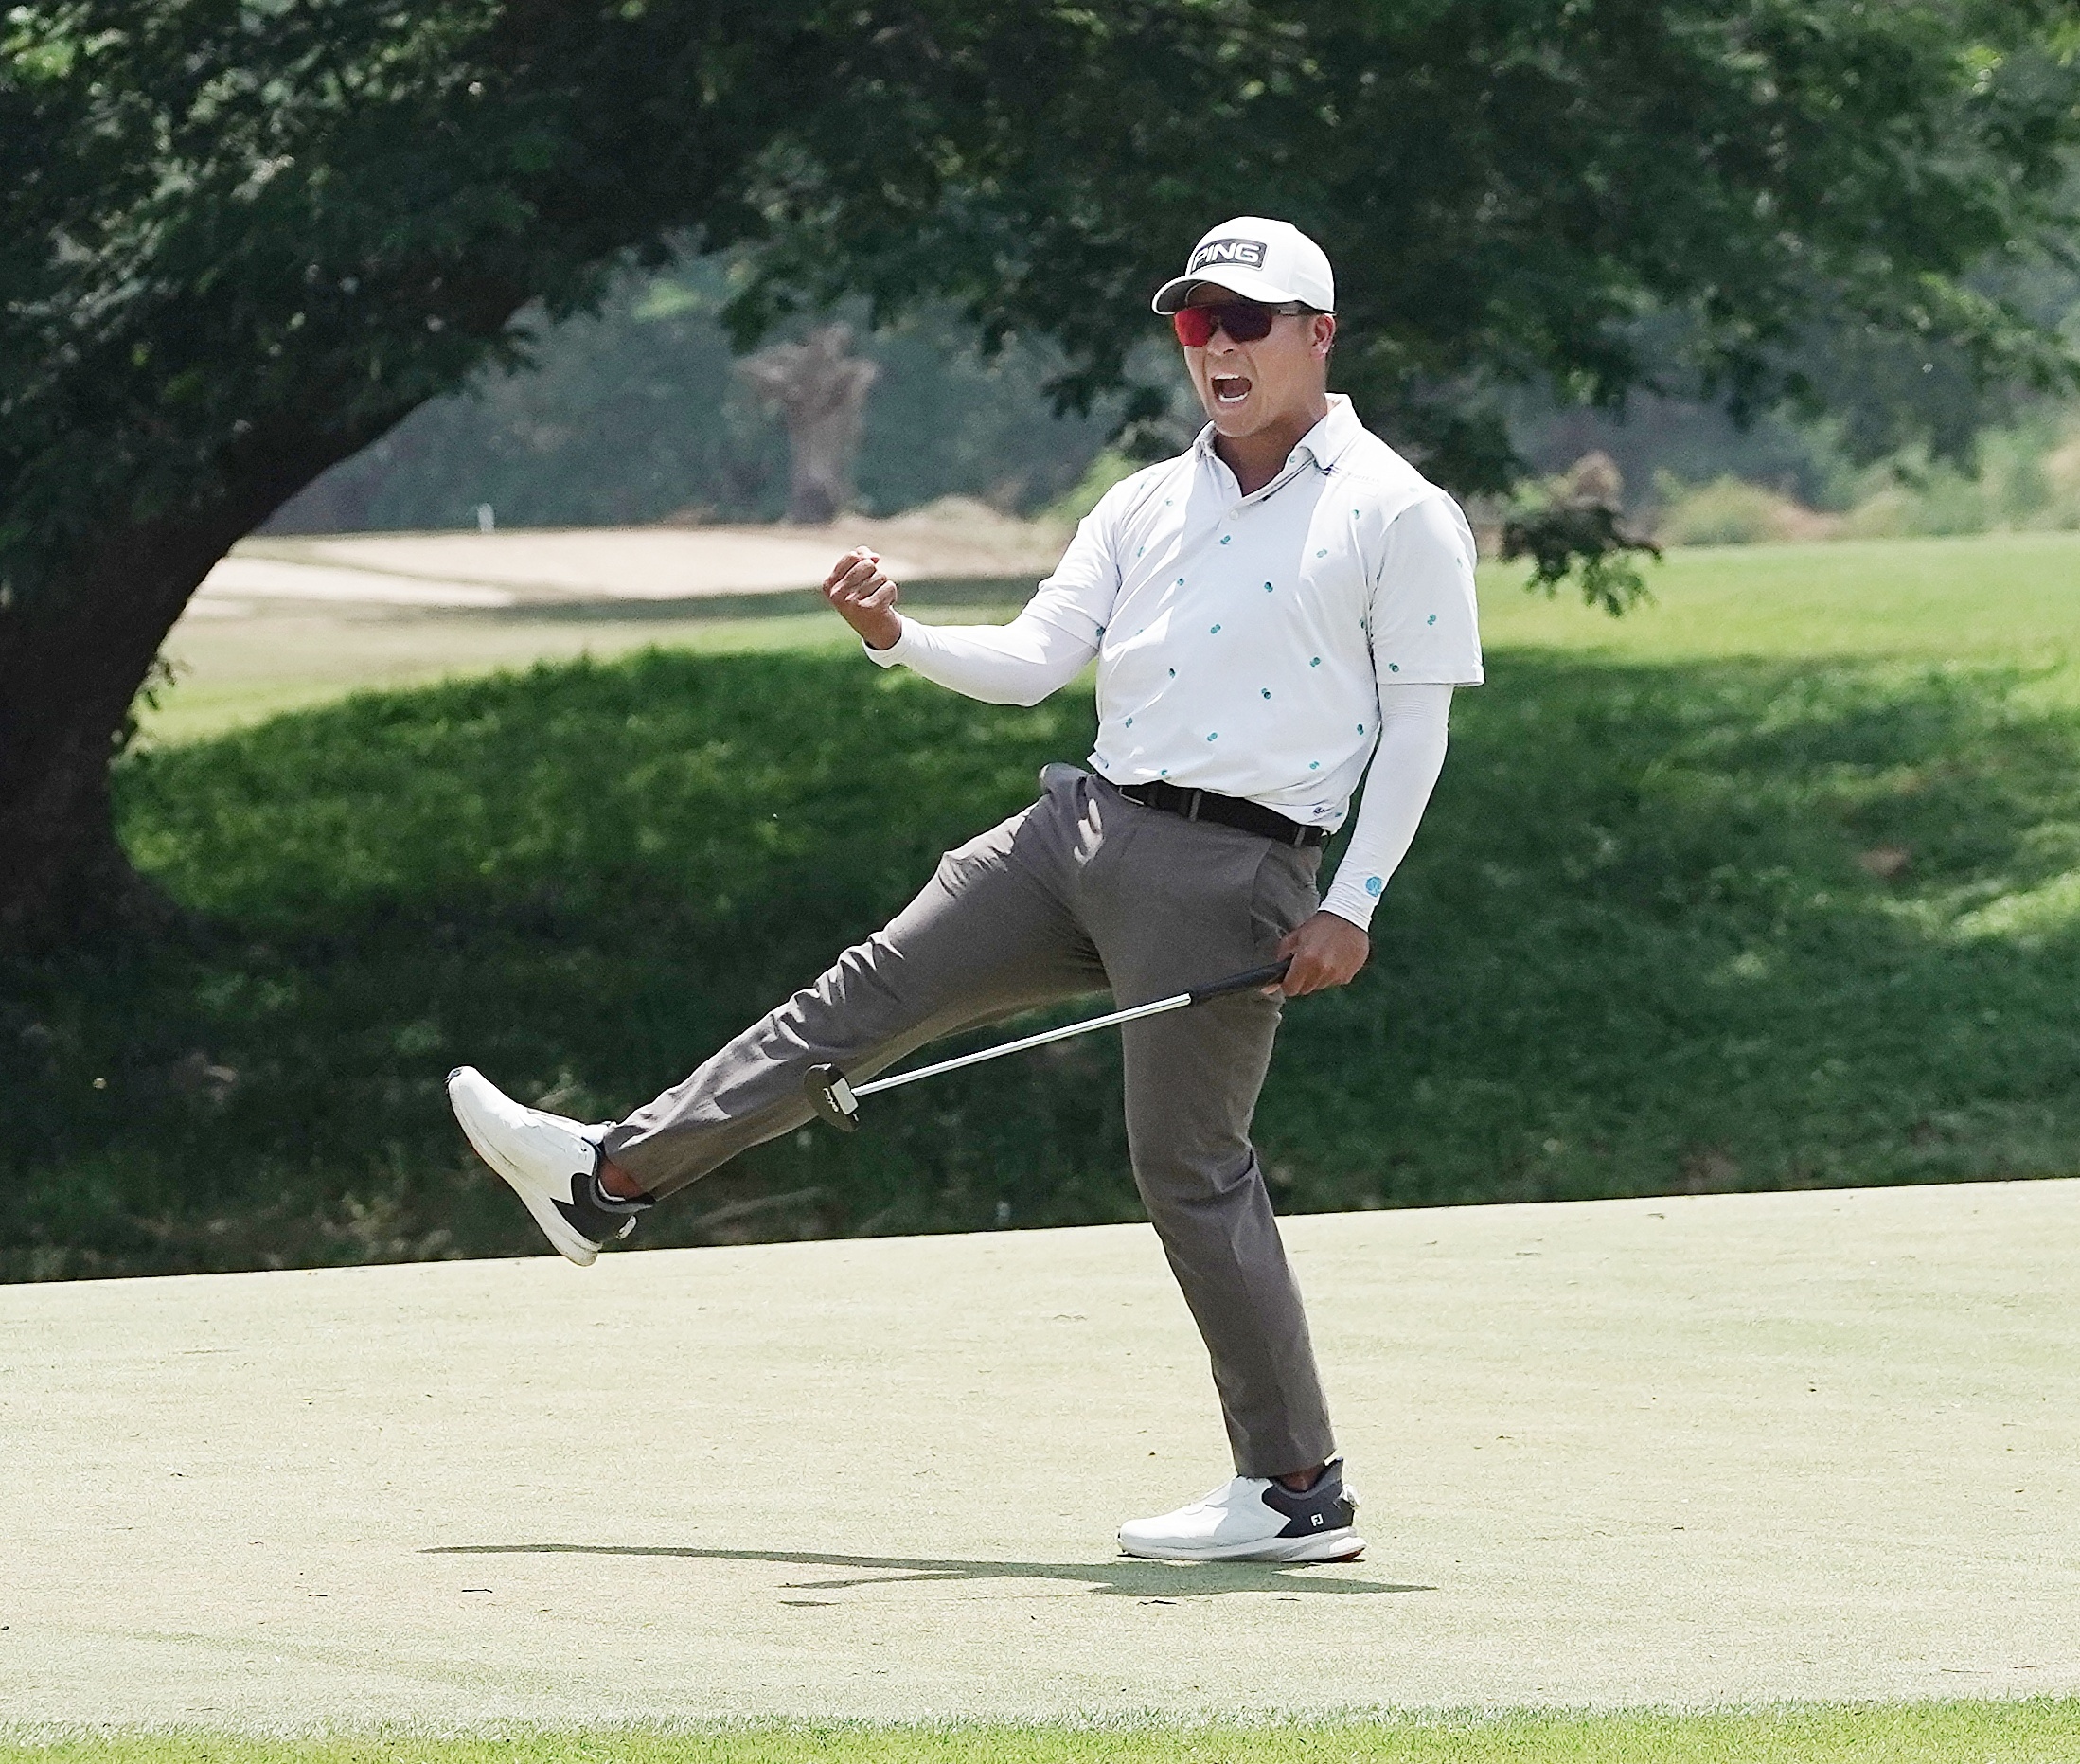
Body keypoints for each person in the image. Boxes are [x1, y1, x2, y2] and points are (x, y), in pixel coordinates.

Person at [447, 215, 1483, 1563]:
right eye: (1192, 324)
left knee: (1186, 1166)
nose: (1215, 348)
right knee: (859, 996)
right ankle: (610, 1179)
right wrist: (898, 638)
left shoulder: (1394, 509)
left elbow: (1415, 728)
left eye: (1244, 322)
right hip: (1081, 828)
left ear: (1316, 334)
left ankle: (1293, 1490)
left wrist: (1355, 902)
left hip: (1236, 870)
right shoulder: (1144, 501)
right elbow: (1033, 662)